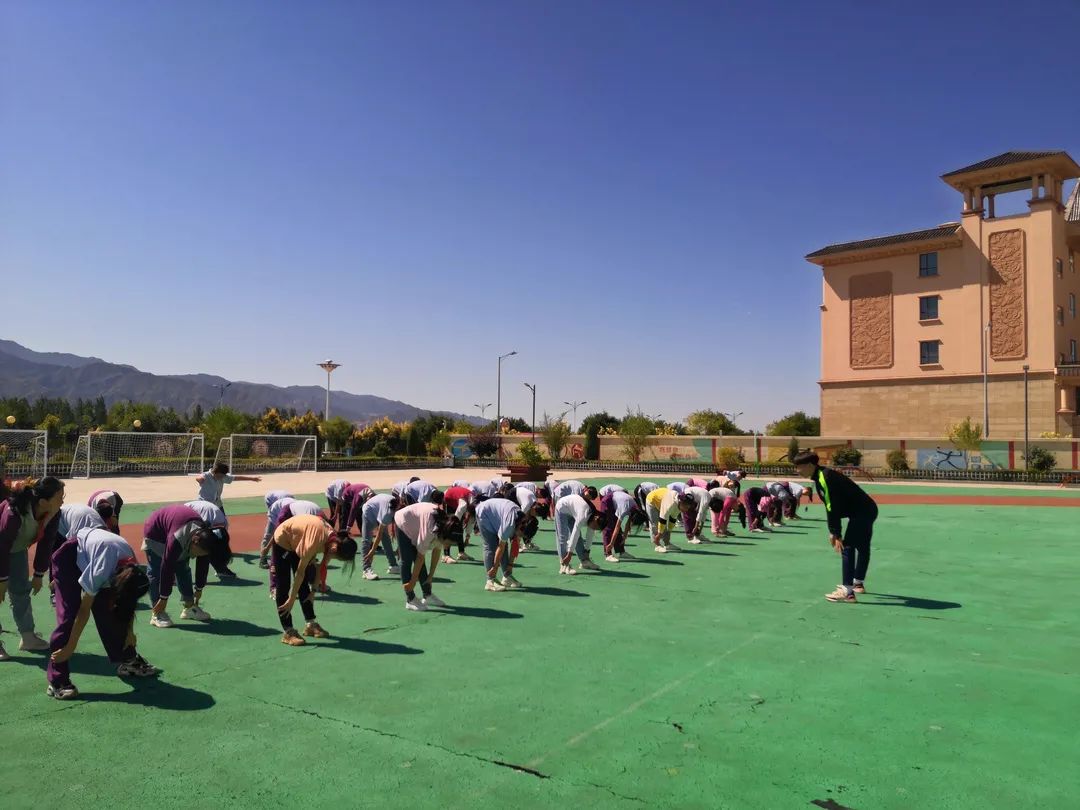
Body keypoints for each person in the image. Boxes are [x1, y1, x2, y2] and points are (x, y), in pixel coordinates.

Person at [46, 526, 158, 699]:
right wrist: (70, 647)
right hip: (70, 557)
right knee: (68, 616)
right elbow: (83, 611)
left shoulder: (133, 570)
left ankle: (127, 660)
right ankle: (57, 680)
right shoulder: (102, 570)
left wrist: (130, 633)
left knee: (111, 610)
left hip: (95, 558)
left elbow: (127, 604)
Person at [794, 451, 879, 603]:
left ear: (809, 465)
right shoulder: (823, 475)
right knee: (862, 547)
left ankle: (847, 591)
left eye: (798, 467)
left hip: (862, 512)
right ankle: (858, 584)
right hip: (867, 509)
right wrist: (834, 531)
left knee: (847, 547)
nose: (797, 471)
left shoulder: (824, 477)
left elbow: (831, 507)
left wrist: (835, 533)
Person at [0, 476, 65, 658]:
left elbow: (47, 542)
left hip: (16, 549)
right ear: (44, 501)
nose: (62, 501)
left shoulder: (52, 512)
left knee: (20, 591)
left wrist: (38, 573)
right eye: (59, 497)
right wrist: (2, 579)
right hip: (1, 546)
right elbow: (2, 544)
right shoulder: (14, 512)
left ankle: (28, 638)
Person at [270, 514, 357, 645]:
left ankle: (310, 624)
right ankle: (288, 631)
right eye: (337, 558)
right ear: (334, 550)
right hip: (283, 540)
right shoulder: (314, 543)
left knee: (304, 586)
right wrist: (292, 599)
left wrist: (313, 592)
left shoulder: (334, 540)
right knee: (284, 585)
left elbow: (322, 567)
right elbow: (299, 573)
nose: (332, 558)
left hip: (298, 540)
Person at [142, 505, 230, 628]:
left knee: (183, 569)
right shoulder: (177, 539)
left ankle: (189, 607)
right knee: (156, 572)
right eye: (197, 552)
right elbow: (167, 567)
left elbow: (202, 564)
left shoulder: (206, 537)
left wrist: (199, 588)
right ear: (195, 542)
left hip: (176, 528)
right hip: (156, 532)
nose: (195, 556)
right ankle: (157, 613)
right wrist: (163, 597)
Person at [194, 462, 261, 577]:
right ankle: (206, 547)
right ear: (216, 472)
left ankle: (219, 547)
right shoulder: (206, 476)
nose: (223, 477)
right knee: (206, 531)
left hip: (217, 505)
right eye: (221, 475)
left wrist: (252, 478)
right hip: (205, 508)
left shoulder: (223, 477)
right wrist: (199, 478)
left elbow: (236, 478)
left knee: (223, 527)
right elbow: (199, 477)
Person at [394, 502, 458, 611]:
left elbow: (436, 552)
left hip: (417, 523)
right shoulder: (430, 531)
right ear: (445, 536)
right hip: (403, 522)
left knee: (420, 561)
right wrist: (412, 583)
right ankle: (410, 599)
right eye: (448, 543)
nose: (447, 546)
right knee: (407, 559)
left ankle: (427, 595)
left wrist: (430, 577)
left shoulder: (443, 528)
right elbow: (420, 557)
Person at [474, 497, 534, 591]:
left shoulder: (522, 520)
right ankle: (490, 581)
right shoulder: (509, 526)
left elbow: (515, 544)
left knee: (504, 544)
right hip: (484, 513)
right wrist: (494, 568)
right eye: (522, 535)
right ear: (520, 528)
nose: (521, 537)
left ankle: (507, 577)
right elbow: (500, 548)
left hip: (496, 515)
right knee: (490, 546)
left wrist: (510, 565)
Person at [553, 493, 605, 574]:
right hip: (562, 508)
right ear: (595, 518)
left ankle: (584, 561)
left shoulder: (594, 517)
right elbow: (574, 534)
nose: (594, 528)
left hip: (572, 510)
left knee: (579, 538)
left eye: (596, 528)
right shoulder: (583, 515)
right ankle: (564, 565)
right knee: (563, 537)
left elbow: (589, 535)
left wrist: (587, 551)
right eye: (595, 526)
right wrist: (569, 554)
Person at [359, 493, 401, 580]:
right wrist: (372, 551)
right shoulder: (387, 515)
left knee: (386, 539)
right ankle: (366, 569)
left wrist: (399, 547)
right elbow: (379, 534)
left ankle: (393, 566)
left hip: (379, 507)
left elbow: (399, 525)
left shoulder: (399, 506)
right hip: (369, 510)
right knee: (367, 540)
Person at [600, 488, 646, 562]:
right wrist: (611, 544)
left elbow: (628, 523)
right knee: (609, 527)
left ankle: (621, 552)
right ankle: (608, 554)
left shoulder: (635, 508)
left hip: (617, 502)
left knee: (617, 528)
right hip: (608, 501)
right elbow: (617, 527)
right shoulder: (625, 509)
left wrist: (624, 537)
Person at [258, 490, 293, 569]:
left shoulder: (297, 509)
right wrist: (267, 548)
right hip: (273, 502)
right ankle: (263, 559)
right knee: (269, 534)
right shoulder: (277, 508)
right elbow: (278, 531)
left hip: (283, 503)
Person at [441, 485, 476, 562]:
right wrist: (453, 525)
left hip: (456, 501)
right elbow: (456, 519)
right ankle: (445, 556)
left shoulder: (473, 506)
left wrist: (467, 537)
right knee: (450, 528)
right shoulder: (463, 504)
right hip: (448, 498)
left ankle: (461, 553)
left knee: (459, 527)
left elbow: (471, 521)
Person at [644, 486, 681, 553]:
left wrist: (669, 531)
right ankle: (657, 545)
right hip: (652, 501)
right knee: (655, 523)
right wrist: (659, 534)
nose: (686, 509)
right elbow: (663, 519)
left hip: (661, 502)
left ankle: (667, 544)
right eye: (686, 507)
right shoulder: (671, 504)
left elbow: (673, 519)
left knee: (664, 527)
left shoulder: (679, 504)